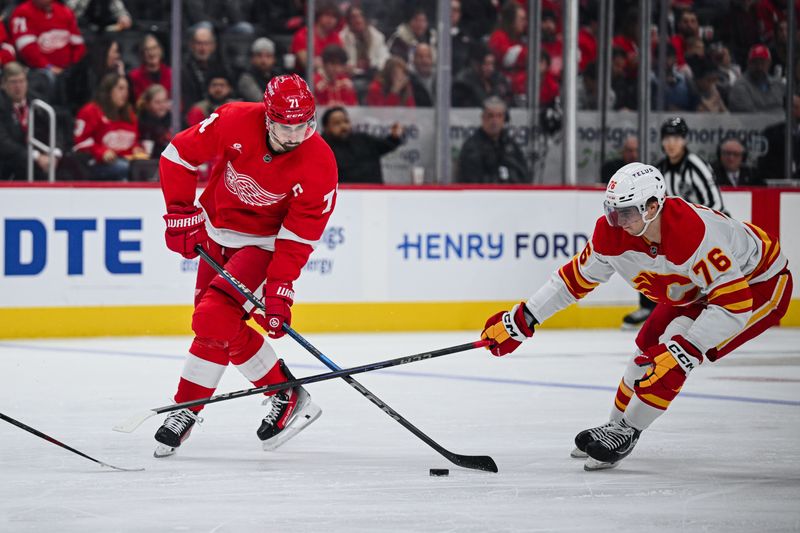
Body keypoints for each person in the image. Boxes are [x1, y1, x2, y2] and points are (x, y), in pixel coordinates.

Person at [480, 162, 791, 471]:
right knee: (645, 351)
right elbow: (572, 280)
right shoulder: (612, 233)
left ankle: (630, 430)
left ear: (653, 207)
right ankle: (615, 426)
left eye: (625, 212)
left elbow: (734, 303)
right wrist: (523, 319)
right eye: (612, 210)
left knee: (673, 356)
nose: (616, 221)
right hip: (696, 288)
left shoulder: (692, 233)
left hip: (758, 284)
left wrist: (690, 347)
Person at [154, 74, 338, 457]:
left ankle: (186, 407)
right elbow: (177, 156)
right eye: (286, 126)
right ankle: (285, 394)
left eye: (302, 125)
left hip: (265, 245)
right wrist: (179, 213)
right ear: (268, 118)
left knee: (211, 318)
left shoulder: (320, 163)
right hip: (217, 231)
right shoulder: (235, 119)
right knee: (217, 324)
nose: (294, 135)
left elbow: (298, 237)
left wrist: (279, 288)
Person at [73, 72, 147, 180]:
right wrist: (101, 152)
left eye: (126, 89)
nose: (125, 93)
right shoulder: (91, 111)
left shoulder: (129, 114)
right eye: (120, 88)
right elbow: (80, 142)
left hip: (125, 161)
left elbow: (132, 141)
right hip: (95, 163)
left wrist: (135, 149)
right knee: (125, 169)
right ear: (108, 90)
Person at [0, 61, 59, 180]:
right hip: (10, 160)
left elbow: (54, 128)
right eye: (13, 82)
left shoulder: (37, 101)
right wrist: (35, 156)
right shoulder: (2, 105)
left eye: (21, 81)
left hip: (38, 157)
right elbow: (3, 142)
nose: (18, 86)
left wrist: (54, 152)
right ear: (3, 84)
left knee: (69, 163)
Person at [321, 106, 403, 183]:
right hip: (343, 194)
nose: (343, 126)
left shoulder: (363, 139)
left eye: (346, 121)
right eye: (337, 123)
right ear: (326, 127)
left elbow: (387, 145)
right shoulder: (323, 148)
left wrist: (394, 137)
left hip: (376, 193)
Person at [456, 96, 528, 183]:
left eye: (499, 116)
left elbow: (524, 176)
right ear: (483, 118)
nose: (495, 121)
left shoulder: (510, 145)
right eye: (490, 116)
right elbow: (471, 181)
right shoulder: (472, 147)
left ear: (504, 119)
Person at [181, 25, 230, 113]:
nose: (203, 48)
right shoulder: (184, 70)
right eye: (199, 43)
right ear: (192, 45)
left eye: (206, 43)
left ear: (213, 46)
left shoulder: (222, 68)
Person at [452, 43, 512, 108]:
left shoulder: (499, 79)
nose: (491, 68)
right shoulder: (462, 84)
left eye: (492, 64)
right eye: (486, 64)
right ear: (475, 64)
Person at [727, 45, 785, 113]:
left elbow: (791, 106)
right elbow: (750, 117)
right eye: (755, 63)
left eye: (763, 63)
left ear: (769, 63)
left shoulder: (777, 84)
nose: (759, 67)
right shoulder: (740, 87)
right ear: (748, 63)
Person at [290, 1, 342, 73]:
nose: (331, 19)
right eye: (327, 15)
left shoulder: (336, 37)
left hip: (329, 78)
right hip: (305, 78)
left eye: (334, 17)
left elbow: (340, 63)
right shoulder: (303, 34)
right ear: (319, 16)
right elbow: (305, 63)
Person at [758, 94, 800, 182]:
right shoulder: (772, 133)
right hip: (778, 183)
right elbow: (764, 164)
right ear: (787, 109)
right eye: (795, 107)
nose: (798, 110)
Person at [129, 33, 171, 103]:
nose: (151, 53)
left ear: (160, 50)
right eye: (147, 49)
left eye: (154, 48)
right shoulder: (134, 77)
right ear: (142, 54)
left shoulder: (172, 74)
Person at [237, 37, 281, 103]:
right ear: (252, 58)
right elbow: (261, 102)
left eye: (268, 56)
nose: (264, 60)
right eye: (259, 56)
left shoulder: (279, 76)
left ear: (274, 59)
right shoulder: (246, 78)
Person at [136, 83, 172, 159]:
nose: (162, 105)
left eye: (164, 101)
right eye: (157, 102)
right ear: (148, 104)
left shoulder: (174, 118)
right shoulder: (142, 122)